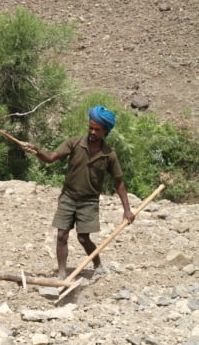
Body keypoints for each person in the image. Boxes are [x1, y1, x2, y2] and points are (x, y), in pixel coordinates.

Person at [22, 105, 135, 279]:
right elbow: (51, 158)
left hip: (89, 202)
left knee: (83, 238)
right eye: (90, 127)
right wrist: (37, 151)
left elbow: (119, 183)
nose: (92, 131)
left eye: (97, 129)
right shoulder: (74, 143)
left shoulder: (109, 155)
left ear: (105, 131)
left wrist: (127, 210)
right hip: (68, 196)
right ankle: (61, 273)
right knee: (61, 235)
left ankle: (97, 264)